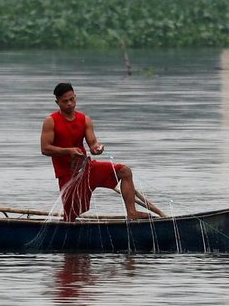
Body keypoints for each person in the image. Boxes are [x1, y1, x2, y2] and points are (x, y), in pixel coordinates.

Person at [40, 82, 164, 222]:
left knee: (125, 171)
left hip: (87, 168)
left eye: (72, 99)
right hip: (68, 174)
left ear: (75, 97)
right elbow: (45, 148)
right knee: (71, 216)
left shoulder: (84, 119)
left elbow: (93, 144)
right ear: (57, 102)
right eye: (65, 101)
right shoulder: (51, 121)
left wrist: (97, 148)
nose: (69, 104)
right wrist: (68, 151)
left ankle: (132, 212)